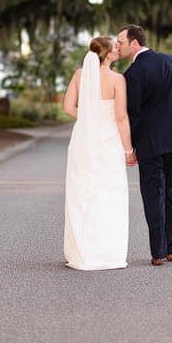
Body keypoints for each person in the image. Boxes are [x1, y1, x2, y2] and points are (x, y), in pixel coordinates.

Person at [116, 24, 172, 266]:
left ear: (134, 43)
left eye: (121, 42)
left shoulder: (133, 73)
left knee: (153, 193)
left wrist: (132, 147)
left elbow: (134, 113)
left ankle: (158, 252)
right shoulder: (171, 61)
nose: (118, 46)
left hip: (151, 141)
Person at [61, 35, 131, 271]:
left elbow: (68, 108)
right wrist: (129, 149)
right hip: (108, 142)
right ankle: (106, 252)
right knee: (109, 193)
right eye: (116, 45)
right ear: (109, 53)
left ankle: (81, 251)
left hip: (82, 140)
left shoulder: (79, 75)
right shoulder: (117, 79)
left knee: (81, 192)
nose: (119, 48)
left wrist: (90, 119)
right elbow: (121, 117)